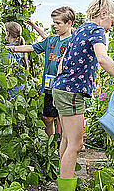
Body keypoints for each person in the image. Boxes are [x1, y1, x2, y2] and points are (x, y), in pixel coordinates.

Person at [52, 0, 114, 191]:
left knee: (67, 141)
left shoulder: (80, 29)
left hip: (61, 89)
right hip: (72, 92)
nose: (110, 30)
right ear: (104, 14)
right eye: (112, 25)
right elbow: (103, 59)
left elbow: (63, 61)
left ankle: (63, 185)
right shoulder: (97, 31)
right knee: (76, 145)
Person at [10, 7, 75, 137]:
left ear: (69, 23)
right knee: (47, 118)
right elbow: (32, 47)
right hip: (49, 86)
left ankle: (62, 145)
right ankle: (50, 145)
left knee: (62, 119)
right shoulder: (51, 40)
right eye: (54, 23)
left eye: (58, 23)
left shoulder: (73, 42)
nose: (55, 26)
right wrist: (12, 48)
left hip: (64, 87)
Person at [5, 21, 28, 98]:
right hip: (21, 91)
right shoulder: (21, 50)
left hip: (12, 92)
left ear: (8, 33)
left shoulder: (8, 51)